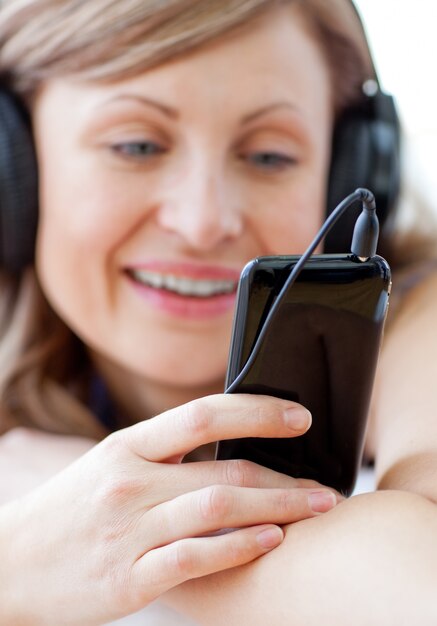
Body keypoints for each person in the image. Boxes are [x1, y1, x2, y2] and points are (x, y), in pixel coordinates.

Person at [0, 0, 436, 624]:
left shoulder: (420, 321)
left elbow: (418, 582)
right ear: (15, 171)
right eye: (137, 144)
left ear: (352, 171)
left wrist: (101, 536)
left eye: (268, 157)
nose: (204, 222)